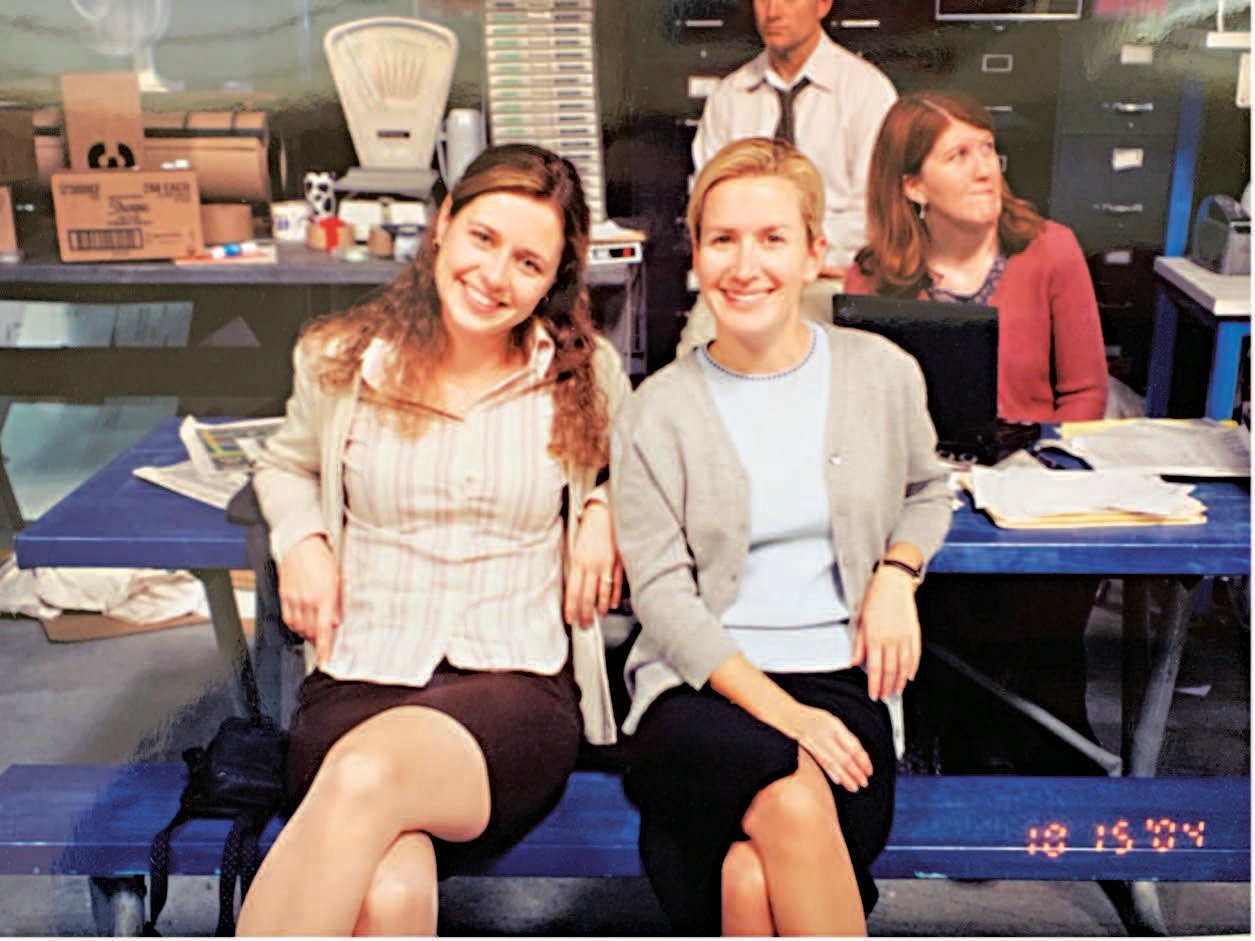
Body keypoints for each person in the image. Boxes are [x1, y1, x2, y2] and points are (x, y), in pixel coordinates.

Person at [234, 143, 631, 936]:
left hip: (511, 691)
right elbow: (283, 465)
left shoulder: (586, 376)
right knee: (390, 890)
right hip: (358, 674)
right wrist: (302, 537)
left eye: (527, 261)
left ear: (553, 278)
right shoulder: (340, 359)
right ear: (444, 224)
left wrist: (605, 510)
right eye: (482, 238)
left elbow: (655, 470)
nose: (494, 276)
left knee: (367, 775)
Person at [611, 137, 952, 935]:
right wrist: (785, 716)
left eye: (772, 238)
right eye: (722, 239)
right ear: (696, 255)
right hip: (697, 690)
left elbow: (928, 489)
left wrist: (898, 573)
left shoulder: (882, 373)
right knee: (791, 800)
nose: (745, 264)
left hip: (841, 679)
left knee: (747, 874)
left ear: (813, 253)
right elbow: (660, 597)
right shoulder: (656, 409)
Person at [844, 88, 1109, 774]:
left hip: (1031, 486)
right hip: (922, 488)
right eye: (957, 155)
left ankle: (1040, 746)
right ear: (911, 186)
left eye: (986, 149)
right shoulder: (873, 275)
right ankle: (955, 743)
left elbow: (1083, 392)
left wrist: (1043, 473)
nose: (984, 167)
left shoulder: (1050, 251)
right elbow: (856, 409)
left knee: (1037, 610)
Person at [677, 0, 898, 354]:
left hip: (829, 279)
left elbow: (878, 214)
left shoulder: (866, 93)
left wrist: (796, 256)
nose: (773, 11)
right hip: (743, 277)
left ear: (822, 4)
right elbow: (707, 208)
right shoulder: (730, 98)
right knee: (696, 355)